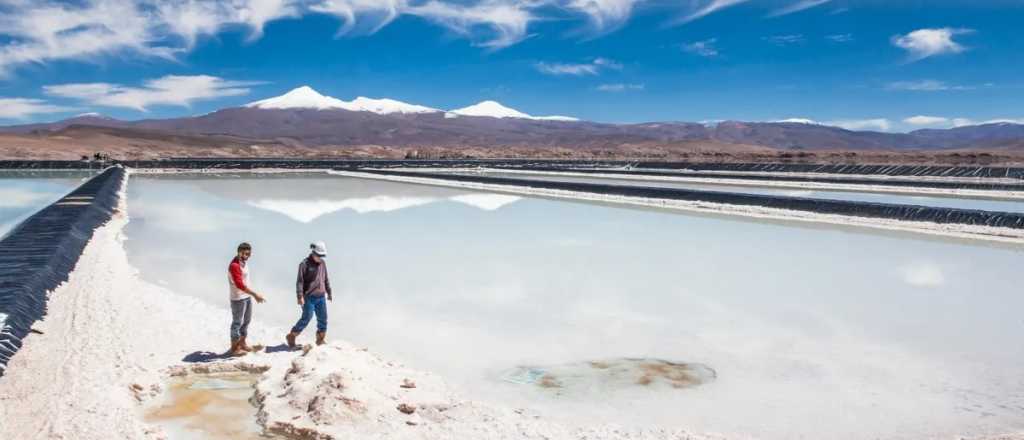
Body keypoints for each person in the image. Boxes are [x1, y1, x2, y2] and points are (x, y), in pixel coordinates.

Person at [287, 241, 333, 348]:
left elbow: (325, 278)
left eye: (322, 256)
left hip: (321, 296)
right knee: (307, 317)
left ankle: (320, 340)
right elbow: (300, 281)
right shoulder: (304, 264)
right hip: (309, 297)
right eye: (319, 255)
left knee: (323, 318)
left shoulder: (322, 263)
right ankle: (292, 336)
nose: (320, 258)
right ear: (313, 253)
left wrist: (329, 292)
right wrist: (299, 296)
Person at [228, 242, 265, 356]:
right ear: (239, 252)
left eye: (249, 254)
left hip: (246, 296)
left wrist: (251, 295)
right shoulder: (234, 265)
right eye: (245, 254)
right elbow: (239, 285)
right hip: (238, 298)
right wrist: (255, 294)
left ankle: (242, 343)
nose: (247, 256)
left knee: (246, 321)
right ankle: (235, 348)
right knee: (237, 323)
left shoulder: (243, 262)